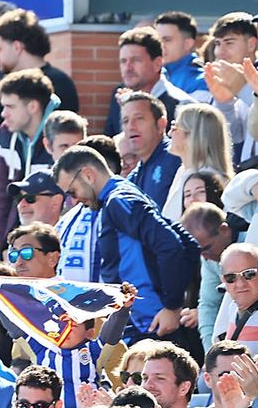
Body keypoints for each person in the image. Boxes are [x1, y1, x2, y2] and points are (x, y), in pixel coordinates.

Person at [52, 146, 198, 347]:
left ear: (88, 175)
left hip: (151, 326)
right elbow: (187, 243)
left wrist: (172, 306)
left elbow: (172, 245)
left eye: (72, 192)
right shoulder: (124, 194)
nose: (74, 200)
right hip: (143, 322)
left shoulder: (119, 200)